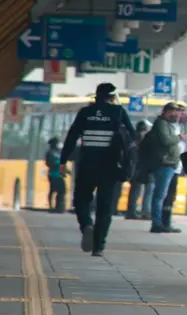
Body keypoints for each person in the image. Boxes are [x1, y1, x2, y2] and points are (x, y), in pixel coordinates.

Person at [61, 83, 135, 256]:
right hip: (110, 166)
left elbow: (71, 137)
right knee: (105, 207)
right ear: (112, 97)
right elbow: (132, 138)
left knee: (81, 200)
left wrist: (63, 160)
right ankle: (99, 246)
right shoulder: (118, 112)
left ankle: (86, 224)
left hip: (87, 164)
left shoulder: (85, 113)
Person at [144, 103, 183, 233]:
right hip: (164, 163)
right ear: (165, 112)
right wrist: (179, 138)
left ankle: (164, 223)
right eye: (172, 112)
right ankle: (157, 223)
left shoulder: (170, 124)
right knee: (160, 195)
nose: (175, 114)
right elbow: (166, 141)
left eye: (177, 112)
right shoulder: (161, 123)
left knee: (166, 195)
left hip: (171, 164)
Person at [125, 121, 154, 220]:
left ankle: (131, 210)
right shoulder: (139, 138)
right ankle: (131, 211)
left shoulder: (133, 136)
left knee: (135, 190)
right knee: (136, 190)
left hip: (134, 166)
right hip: (138, 166)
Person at [45, 137, 67, 213]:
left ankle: (59, 207)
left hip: (59, 175)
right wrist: (56, 165)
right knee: (52, 190)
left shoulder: (59, 152)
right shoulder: (50, 153)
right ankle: (51, 206)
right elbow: (48, 163)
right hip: (53, 175)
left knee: (62, 191)